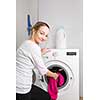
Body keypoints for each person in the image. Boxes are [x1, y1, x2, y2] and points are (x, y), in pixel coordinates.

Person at [16, 21, 58, 100]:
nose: (44, 37)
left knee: (45, 96)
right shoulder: (34, 47)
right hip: (21, 87)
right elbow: (43, 70)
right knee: (46, 97)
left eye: (46, 35)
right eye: (41, 33)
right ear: (34, 31)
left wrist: (40, 52)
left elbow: (30, 58)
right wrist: (55, 75)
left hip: (20, 83)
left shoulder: (27, 43)